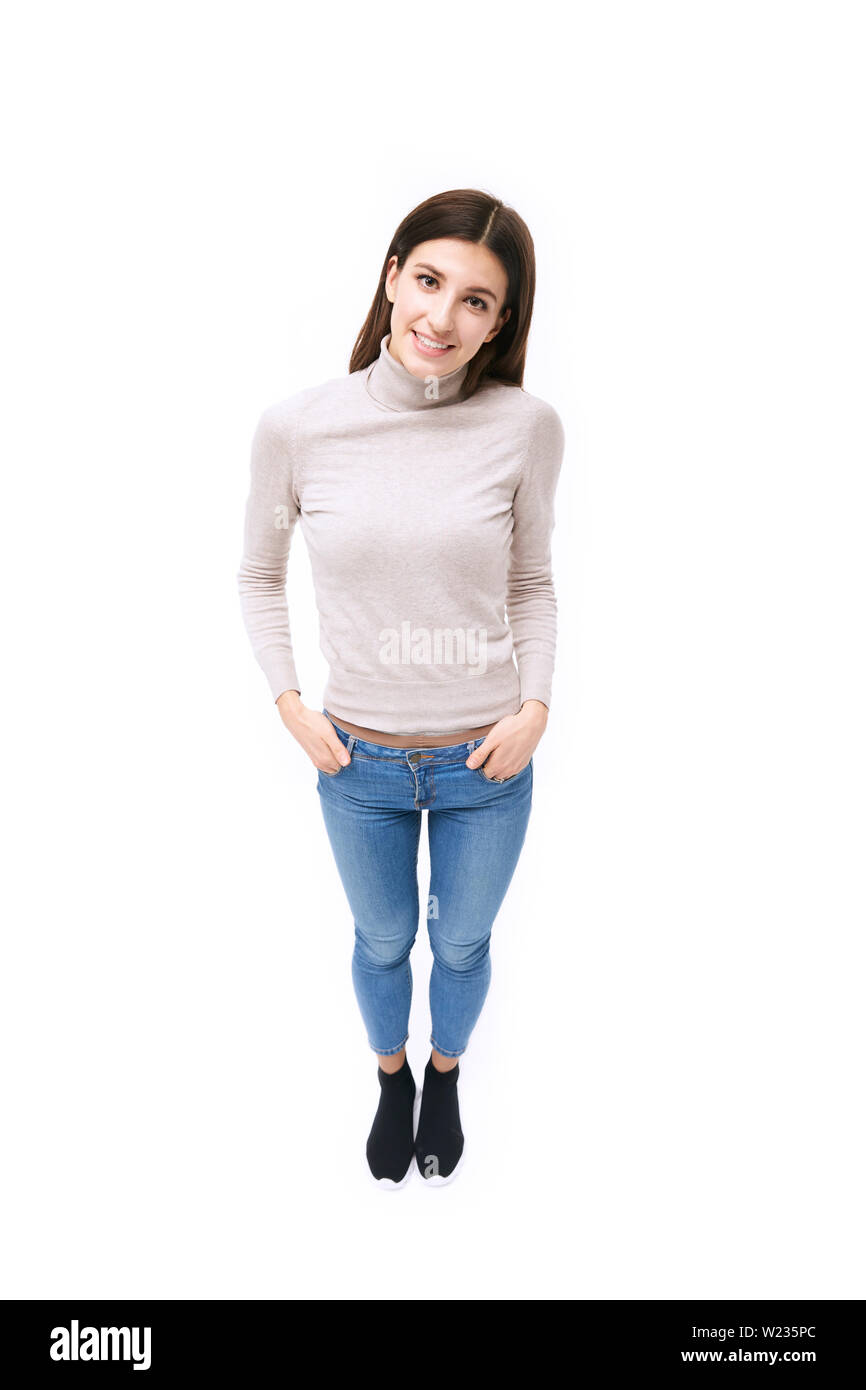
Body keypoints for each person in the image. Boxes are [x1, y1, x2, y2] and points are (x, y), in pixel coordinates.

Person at [237, 188, 565, 1188]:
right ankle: (391, 1077)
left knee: (459, 942)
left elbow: (530, 579)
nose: (440, 317)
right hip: (358, 761)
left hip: (484, 760)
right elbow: (257, 572)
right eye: (427, 281)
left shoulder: (525, 426)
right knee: (382, 940)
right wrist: (290, 703)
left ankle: (446, 1069)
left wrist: (535, 707)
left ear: (500, 322)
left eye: (476, 300)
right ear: (389, 278)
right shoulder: (298, 428)